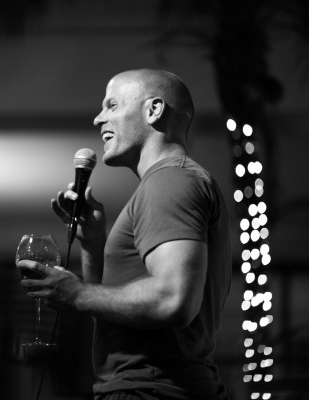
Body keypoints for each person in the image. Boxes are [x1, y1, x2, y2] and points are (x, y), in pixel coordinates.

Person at [17, 69, 232, 400]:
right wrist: (93, 242)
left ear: (154, 110)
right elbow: (115, 313)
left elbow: (172, 299)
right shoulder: (173, 182)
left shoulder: (170, 181)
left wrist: (75, 294)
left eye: (112, 105)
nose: (98, 118)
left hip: (150, 391)